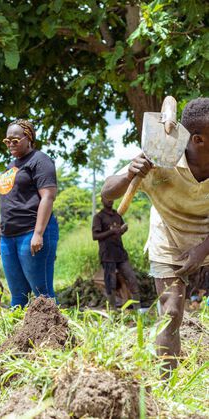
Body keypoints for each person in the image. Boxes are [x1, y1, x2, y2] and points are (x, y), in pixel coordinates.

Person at [102, 97, 209, 374]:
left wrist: (203, 250)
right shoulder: (161, 157)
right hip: (168, 239)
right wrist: (129, 174)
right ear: (198, 140)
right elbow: (107, 192)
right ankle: (167, 383)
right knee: (171, 311)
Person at [0, 119, 59, 308]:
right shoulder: (10, 168)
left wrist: (38, 234)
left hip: (31, 232)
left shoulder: (40, 160)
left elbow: (48, 197)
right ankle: (19, 336)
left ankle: (53, 335)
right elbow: (7, 204)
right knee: (18, 296)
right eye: (7, 141)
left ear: (28, 138)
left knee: (42, 293)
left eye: (15, 140)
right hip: (8, 237)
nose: (11, 144)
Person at [92, 196, 141, 309]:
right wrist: (111, 231)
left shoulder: (117, 215)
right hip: (107, 255)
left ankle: (138, 309)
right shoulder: (98, 217)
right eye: (107, 198)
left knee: (132, 278)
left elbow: (119, 231)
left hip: (120, 253)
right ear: (102, 200)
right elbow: (95, 236)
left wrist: (122, 230)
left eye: (111, 197)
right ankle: (113, 311)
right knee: (111, 283)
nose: (110, 200)